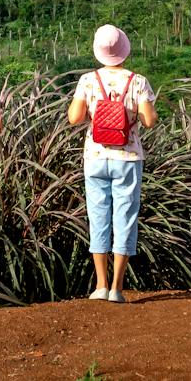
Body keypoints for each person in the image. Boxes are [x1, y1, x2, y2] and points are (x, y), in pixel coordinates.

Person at [67, 23, 156, 303]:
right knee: (125, 218)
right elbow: (149, 121)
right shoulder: (137, 81)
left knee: (98, 217)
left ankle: (100, 285)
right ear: (124, 51)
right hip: (128, 158)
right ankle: (118, 288)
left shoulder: (88, 80)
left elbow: (75, 118)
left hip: (95, 158)